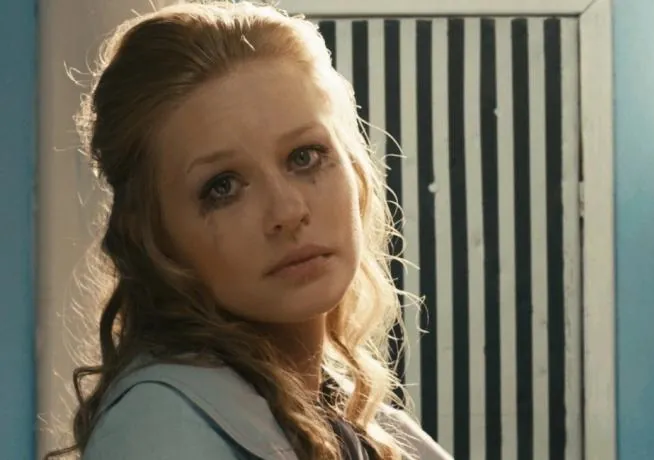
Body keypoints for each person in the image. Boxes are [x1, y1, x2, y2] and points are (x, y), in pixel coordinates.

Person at [44, 1, 452, 459]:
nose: (288, 211)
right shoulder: (157, 431)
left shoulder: (381, 433)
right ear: (154, 236)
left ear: (354, 167)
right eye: (223, 187)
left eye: (305, 157)